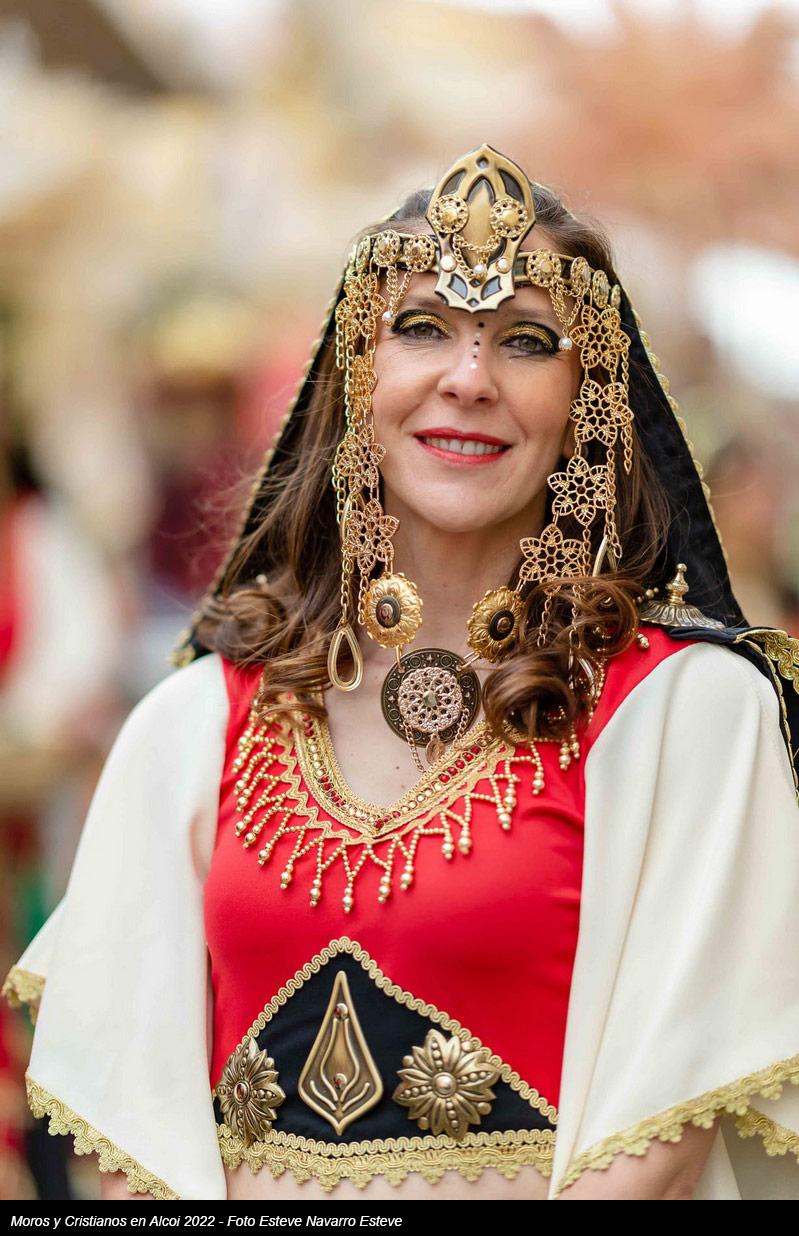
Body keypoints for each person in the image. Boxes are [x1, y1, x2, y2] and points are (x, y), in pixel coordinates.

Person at [3, 145, 799, 1203]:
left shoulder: (684, 714)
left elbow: (655, 1150)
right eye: (421, 327)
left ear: (589, 401)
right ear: (355, 375)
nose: (467, 379)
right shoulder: (196, 718)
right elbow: (128, 1132)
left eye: (525, 340)